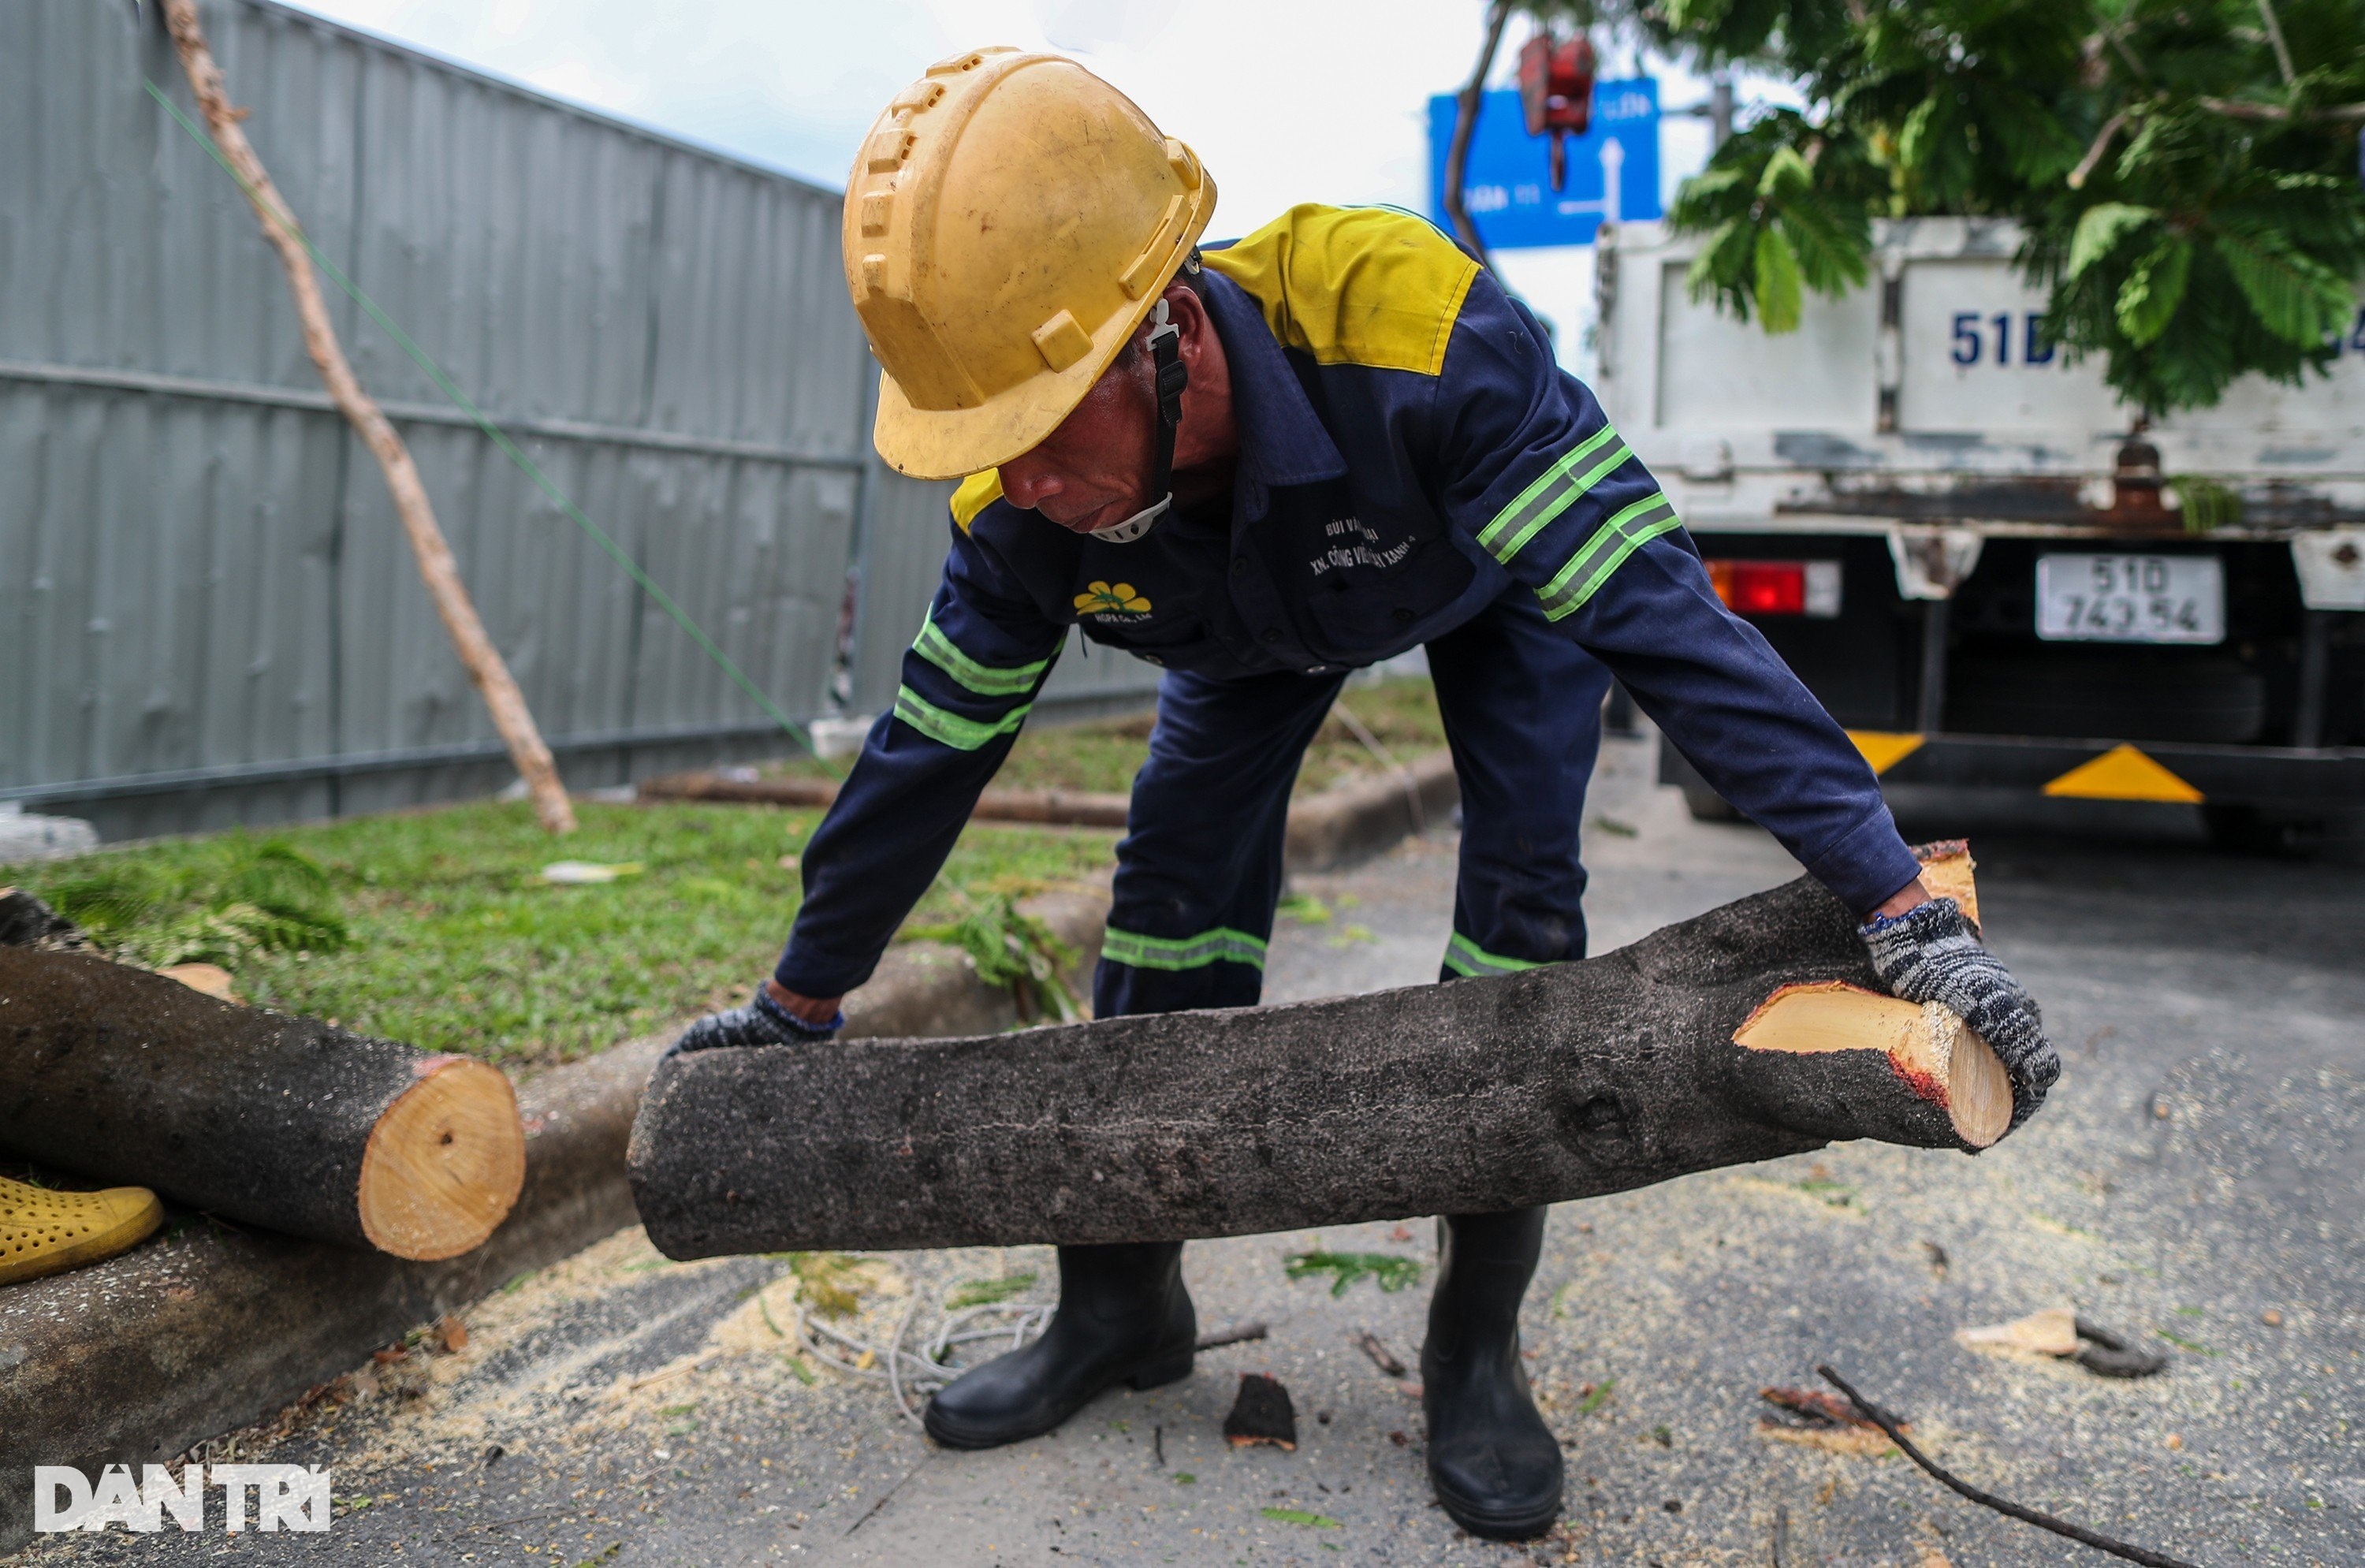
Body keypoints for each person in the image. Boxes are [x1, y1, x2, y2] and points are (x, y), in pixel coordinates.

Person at [672, 47, 2056, 1541]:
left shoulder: (1412, 336)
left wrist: (1895, 902)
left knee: (1523, 909)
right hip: (1246, 626)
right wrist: (799, 1003)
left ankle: (1473, 1347)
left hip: (1488, 584)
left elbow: (1669, 627)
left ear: (1171, 336)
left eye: (1040, 430)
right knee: (1170, 910)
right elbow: (925, 754)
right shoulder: (1027, 509)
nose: (1015, 483)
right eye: (987, 445)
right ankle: (1123, 1303)